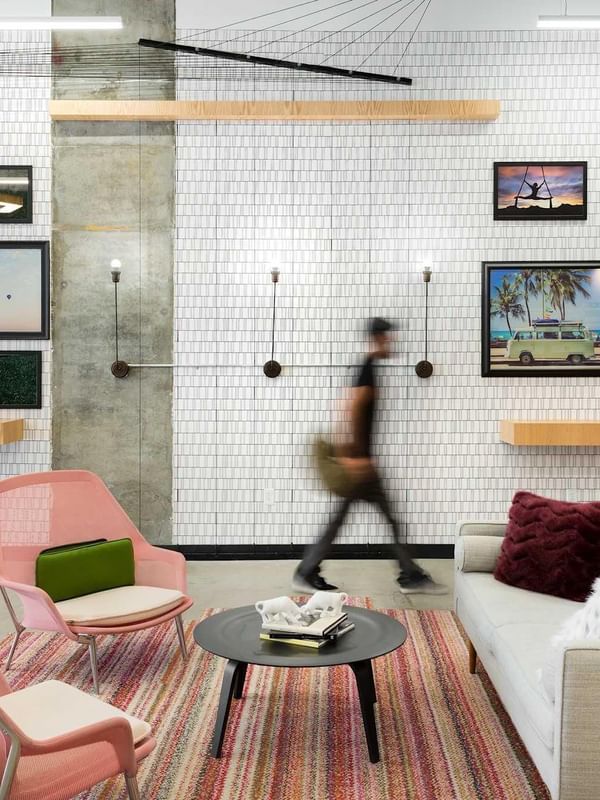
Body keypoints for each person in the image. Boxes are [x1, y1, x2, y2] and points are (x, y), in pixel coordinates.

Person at [293, 317, 447, 595]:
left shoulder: (369, 367)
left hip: (362, 465)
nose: (392, 343)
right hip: (361, 467)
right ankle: (410, 575)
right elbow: (348, 408)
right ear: (379, 338)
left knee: (350, 521)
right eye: (389, 338)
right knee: (382, 520)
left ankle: (308, 570)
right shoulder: (367, 368)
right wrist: (350, 458)